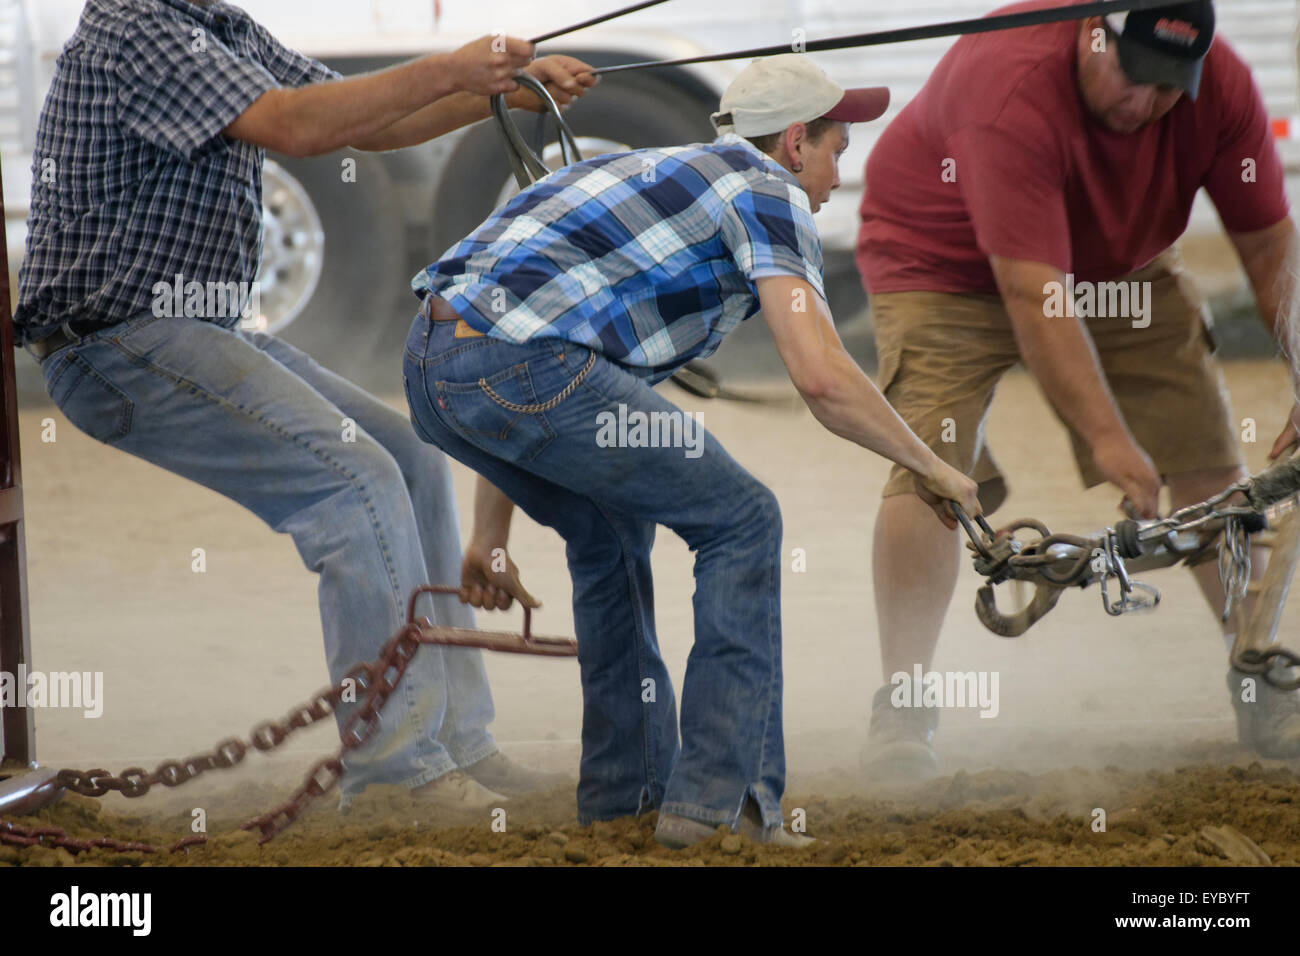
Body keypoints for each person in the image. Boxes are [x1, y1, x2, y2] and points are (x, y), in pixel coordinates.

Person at [15, 0, 596, 810]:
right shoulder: (135, 25)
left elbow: (364, 124)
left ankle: (456, 739)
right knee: (353, 479)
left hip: (185, 329)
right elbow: (296, 127)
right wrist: (454, 68)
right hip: (116, 343)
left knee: (408, 455)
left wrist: (504, 90)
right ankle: (394, 772)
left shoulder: (220, 27)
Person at [402, 54, 982, 849]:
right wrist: (932, 464)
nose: (835, 180)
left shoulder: (658, 175)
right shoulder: (765, 187)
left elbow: (509, 338)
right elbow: (821, 376)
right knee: (743, 520)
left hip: (435, 371)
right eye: (837, 151)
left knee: (610, 530)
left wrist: (489, 537)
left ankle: (627, 799)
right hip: (520, 365)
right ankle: (724, 802)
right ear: (793, 142)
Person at [856, 0, 1300, 778]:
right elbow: (1037, 297)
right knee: (935, 468)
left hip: (1118, 265)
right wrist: (1106, 437)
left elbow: (1270, 249)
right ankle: (905, 703)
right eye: (1133, 78)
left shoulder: (1219, 89)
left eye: (1169, 88)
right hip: (943, 262)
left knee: (1207, 455)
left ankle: (1260, 671)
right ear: (1094, 31)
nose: (1146, 104)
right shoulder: (1010, 86)